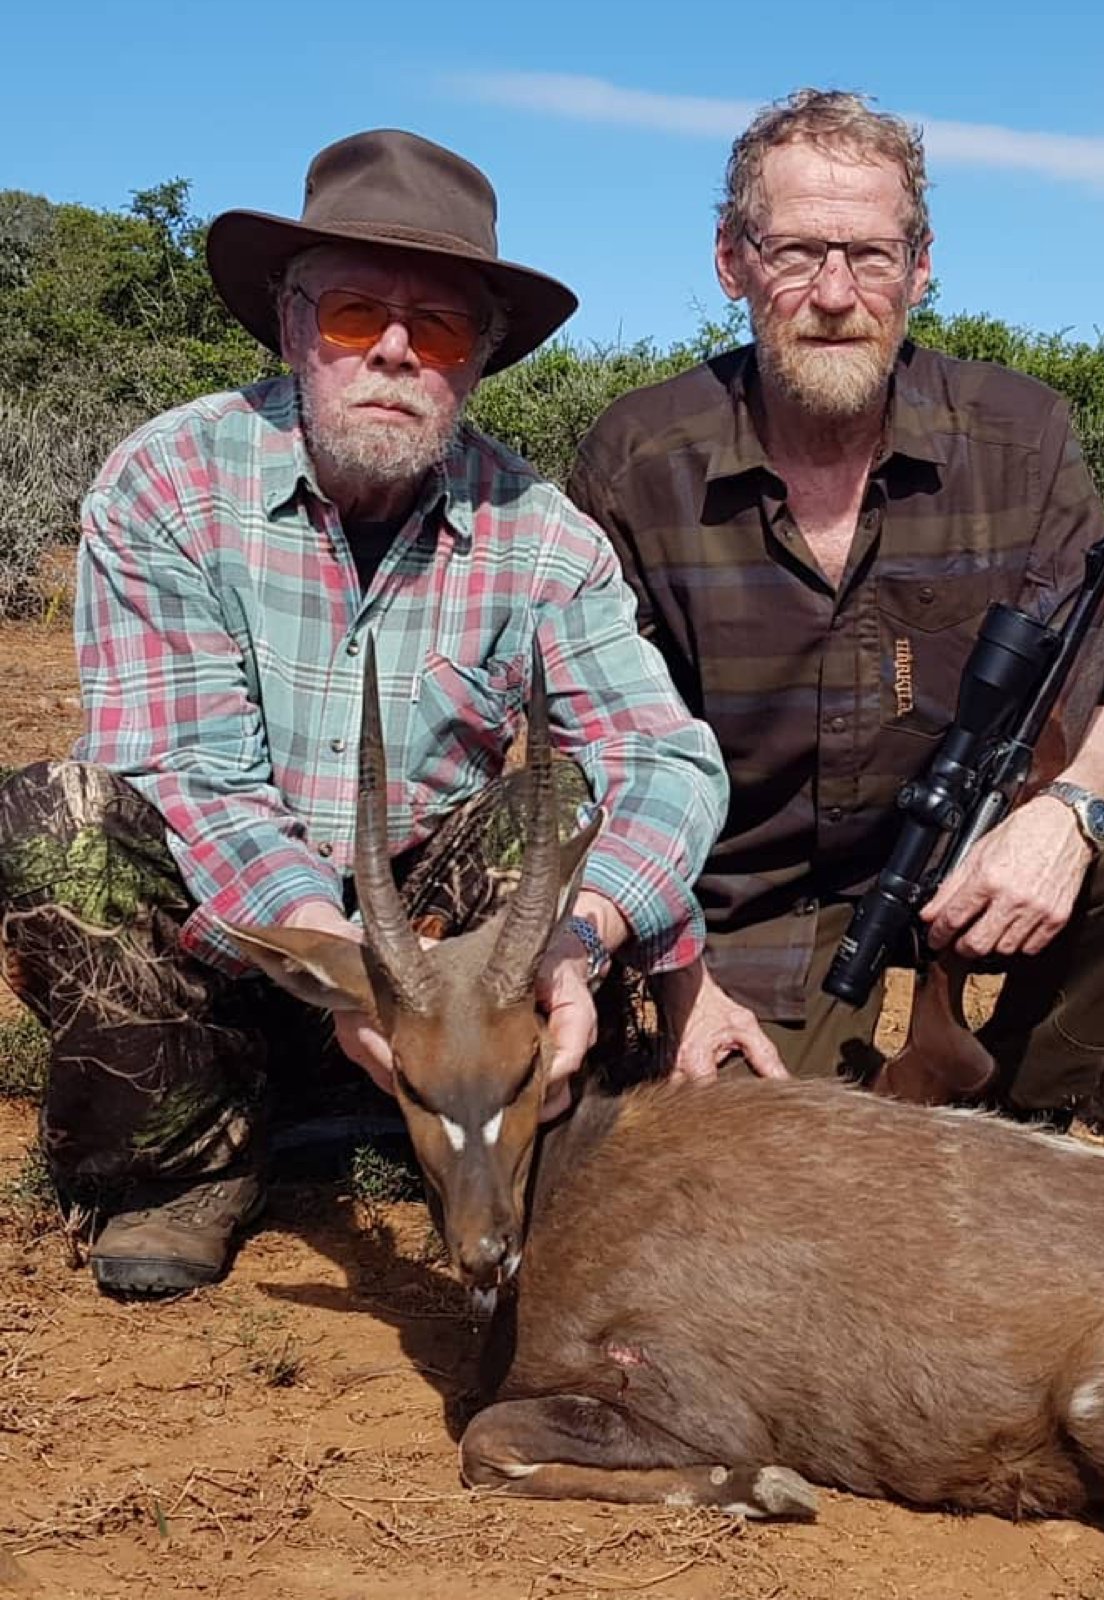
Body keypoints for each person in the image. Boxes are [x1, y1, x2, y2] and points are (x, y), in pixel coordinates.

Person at [0, 130, 727, 1296]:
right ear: (291, 327)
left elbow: (668, 762)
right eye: (353, 316)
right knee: (64, 816)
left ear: (477, 361)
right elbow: (187, 769)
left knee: (562, 801)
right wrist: (348, 966)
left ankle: (443, 1119)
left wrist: (579, 938)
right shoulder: (169, 480)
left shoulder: (542, 535)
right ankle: (182, 1157)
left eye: (436, 328)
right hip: (251, 941)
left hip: (442, 990)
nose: (393, 353)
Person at [569, 90, 1104, 1119]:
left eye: (872, 255)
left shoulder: (1020, 436)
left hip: (962, 863)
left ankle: (1010, 1120)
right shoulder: (640, 458)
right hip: (741, 904)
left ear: (921, 266)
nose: (837, 294)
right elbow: (600, 753)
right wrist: (681, 981)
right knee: (752, 1171)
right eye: (798, 252)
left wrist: (1069, 813)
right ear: (733, 261)